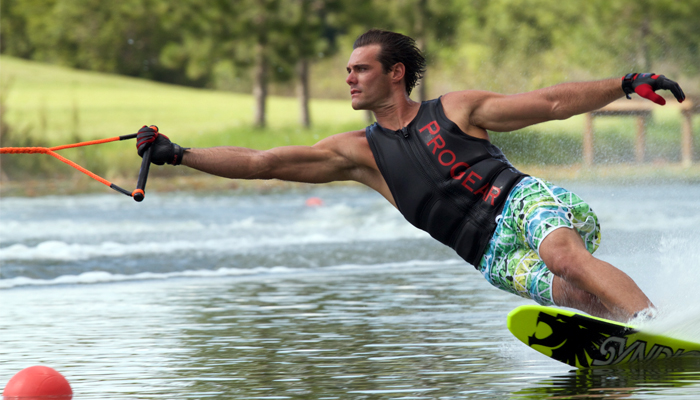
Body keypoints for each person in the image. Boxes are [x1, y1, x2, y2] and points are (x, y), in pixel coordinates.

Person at [136, 29, 686, 322]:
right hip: (488, 254)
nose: (349, 78)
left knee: (564, 259)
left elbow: (548, 102)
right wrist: (179, 153)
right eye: (347, 70)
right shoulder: (357, 155)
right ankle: (630, 342)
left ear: (395, 73)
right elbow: (262, 164)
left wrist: (624, 82)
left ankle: (655, 324)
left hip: (526, 203)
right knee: (573, 294)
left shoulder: (457, 110)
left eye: (361, 69)